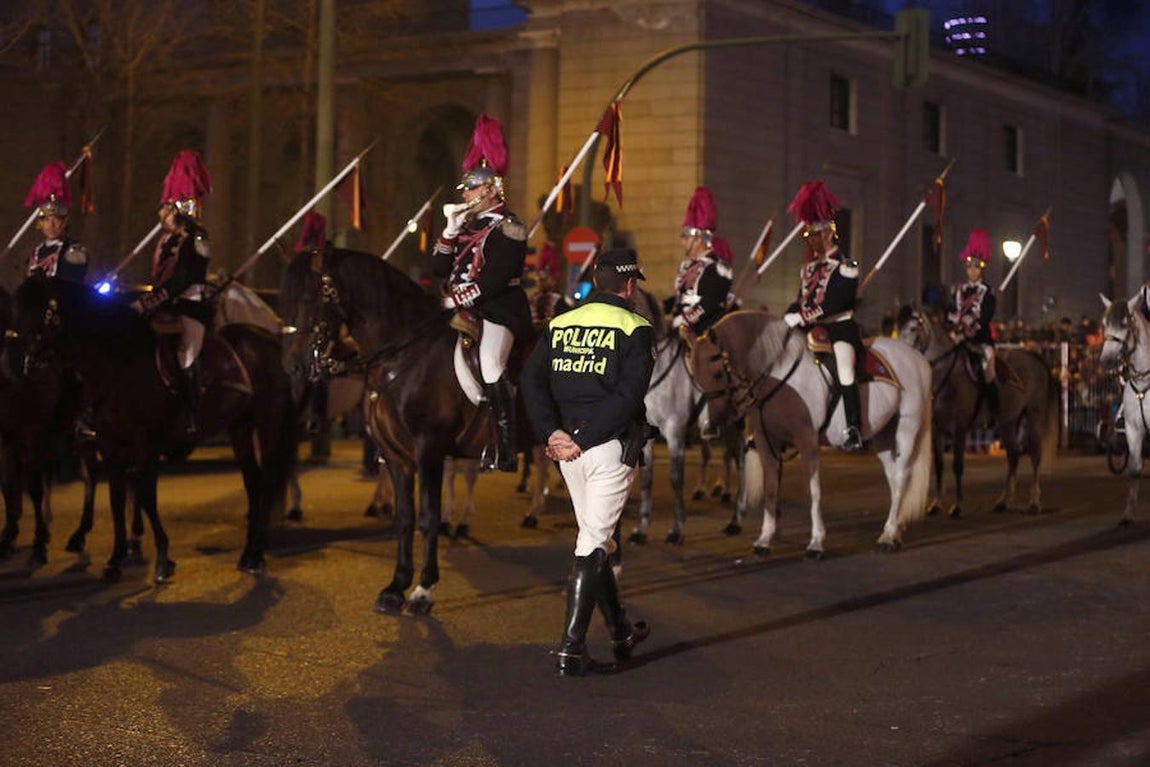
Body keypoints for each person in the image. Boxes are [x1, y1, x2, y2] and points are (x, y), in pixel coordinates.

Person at [521, 247, 654, 677]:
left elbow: (530, 382)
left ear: (597, 280)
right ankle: (571, 650)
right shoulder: (636, 326)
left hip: (566, 453)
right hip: (606, 448)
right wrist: (580, 438)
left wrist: (552, 434)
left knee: (597, 540)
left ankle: (619, 632)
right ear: (630, 286)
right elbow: (627, 397)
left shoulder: (559, 323)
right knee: (592, 544)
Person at [431, 114, 531, 473]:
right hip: (463, 308)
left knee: (491, 363)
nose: (466, 195)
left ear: (490, 191)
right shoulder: (467, 226)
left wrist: (456, 298)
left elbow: (494, 279)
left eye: (472, 189)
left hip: (500, 310)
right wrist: (447, 233)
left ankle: (506, 445)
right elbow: (438, 270)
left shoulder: (512, 228)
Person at [130, 150, 213, 436]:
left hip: (190, 306)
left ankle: (191, 411)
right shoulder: (165, 241)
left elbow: (183, 279)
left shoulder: (196, 240)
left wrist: (150, 301)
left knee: (187, 355)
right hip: (163, 305)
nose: (161, 214)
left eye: (166, 208)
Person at [783, 180, 865, 452]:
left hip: (840, 329)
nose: (812, 241)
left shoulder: (846, 265)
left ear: (829, 234)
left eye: (816, 236)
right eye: (809, 237)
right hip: (811, 331)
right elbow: (801, 300)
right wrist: (786, 317)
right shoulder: (807, 269)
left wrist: (803, 317)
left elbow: (835, 303)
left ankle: (853, 427)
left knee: (845, 368)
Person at [945, 228, 999, 427]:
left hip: (980, 341)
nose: (972, 271)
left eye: (976, 268)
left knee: (988, 370)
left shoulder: (988, 292)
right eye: (969, 268)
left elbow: (985, 318)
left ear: (981, 270)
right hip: (959, 339)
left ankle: (993, 411)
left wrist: (970, 325)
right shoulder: (959, 290)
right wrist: (953, 323)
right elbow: (950, 311)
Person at [667, 187, 734, 335]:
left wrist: (684, 319)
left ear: (698, 239)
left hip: (705, 331)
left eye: (686, 237)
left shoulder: (719, 268)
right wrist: (658, 307)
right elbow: (681, 298)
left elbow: (711, 302)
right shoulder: (686, 266)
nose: (683, 242)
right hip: (682, 328)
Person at [24, 161, 89, 283]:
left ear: (65, 221)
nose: (51, 225)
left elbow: (73, 287)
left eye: (56, 219)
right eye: (47, 219)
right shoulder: (35, 253)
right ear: (40, 223)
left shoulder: (74, 251)